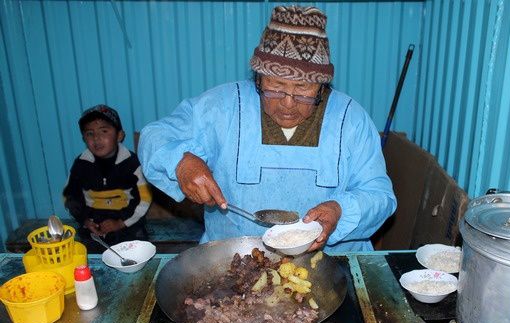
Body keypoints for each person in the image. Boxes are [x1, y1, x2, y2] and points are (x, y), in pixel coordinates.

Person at [139, 5, 396, 252]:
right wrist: (181, 162)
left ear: (322, 86)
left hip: (331, 262)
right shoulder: (221, 107)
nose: (287, 103)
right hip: (232, 260)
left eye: (303, 90)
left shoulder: (350, 120)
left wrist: (340, 211)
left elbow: (380, 197)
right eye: (275, 86)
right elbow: (154, 136)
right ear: (258, 77)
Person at [63, 104, 152, 251]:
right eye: (89, 133)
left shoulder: (132, 163)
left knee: (136, 249)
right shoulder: (81, 164)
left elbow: (144, 199)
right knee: (85, 253)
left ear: (119, 135)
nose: (96, 138)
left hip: (127, 222)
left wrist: (120, 223)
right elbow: (70, 196)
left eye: (104, 131)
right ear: (83, 138)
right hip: (93, 224)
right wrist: (85, 220)